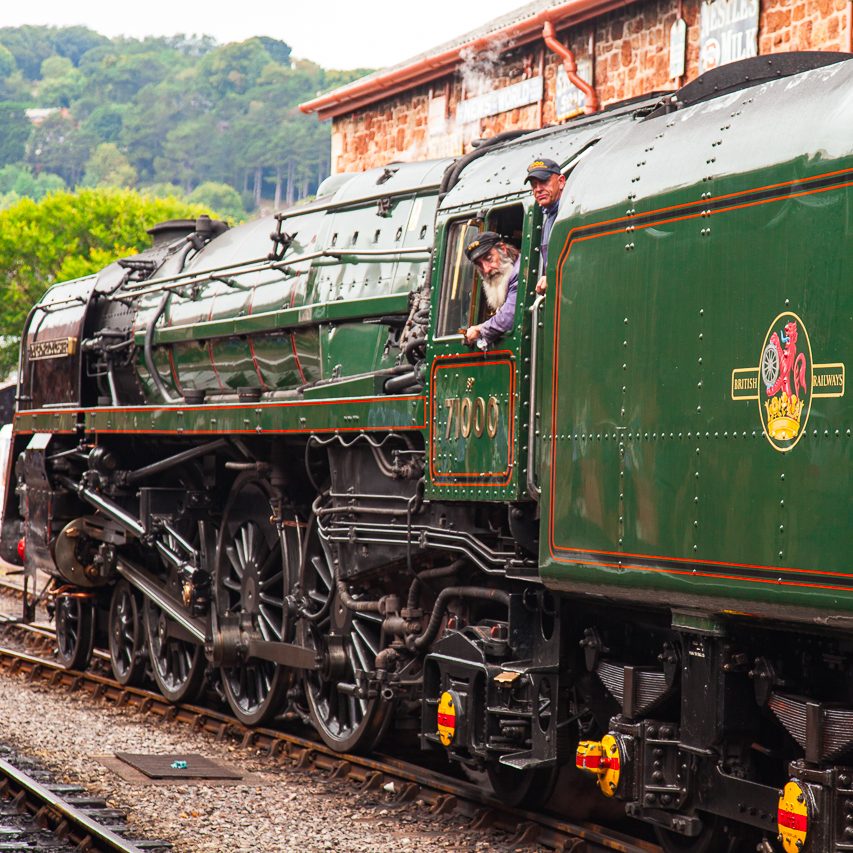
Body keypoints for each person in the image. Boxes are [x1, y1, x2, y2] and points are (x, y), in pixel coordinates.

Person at [463, 231, 520, 347]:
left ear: (503, 249)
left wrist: (479, 329)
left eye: (489, 259)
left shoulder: (520, 272)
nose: (486, 269)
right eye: (479, 265)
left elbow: (509, 316)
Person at [524, 158, 566, 294]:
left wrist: (552, 278)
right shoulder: (548, 218)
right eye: (534, 185)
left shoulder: (566, 212)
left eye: (544, 182)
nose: (538, 189)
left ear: (561, 182)